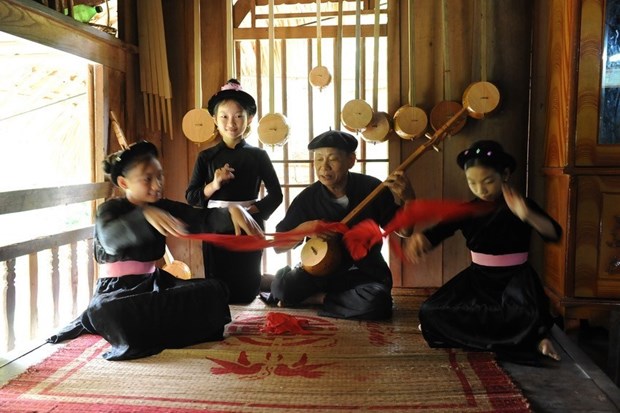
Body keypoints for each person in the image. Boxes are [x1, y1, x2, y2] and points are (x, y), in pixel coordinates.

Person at [49, 140, 263, 360]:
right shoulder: (110, 209)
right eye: (147, 179)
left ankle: (157, 328)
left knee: (215, 289)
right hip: (117, 292)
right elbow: (111, 240)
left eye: (159, 175)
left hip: (155, 284)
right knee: (114, 313)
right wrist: (143, 216)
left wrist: (233, 212)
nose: (157, 184)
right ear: (124, 182)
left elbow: (202, 219)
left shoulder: (163, 207)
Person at [404, 139, 562, 362]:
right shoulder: (467, 210)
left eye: (488, 181)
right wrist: (423, 239)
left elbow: (554, 233)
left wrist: (527, 215)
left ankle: (536, 338)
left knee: (529, 314)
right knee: (431, 310)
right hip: (478, 279)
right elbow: (439, 231)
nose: (481, 189)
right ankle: (525, 338)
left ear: (505, 174)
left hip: (515, 280)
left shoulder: (522, 205)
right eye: (473, 183)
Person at [267, 130, 415, 320]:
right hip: (321, 273)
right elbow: (278, 246)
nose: (324, 167)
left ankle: (317, 299)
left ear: (351, 160)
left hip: (363, 272)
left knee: (377, 302)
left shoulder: (372, 189)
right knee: (282, 288)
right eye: (318, 159)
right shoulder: (307, 198)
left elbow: (405, 231)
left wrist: (409, 200)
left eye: (332, 159)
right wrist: (306, 229)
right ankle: (335, 300)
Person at [186, 79, 283, 303]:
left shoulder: (259, 156)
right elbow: (192, 197)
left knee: (247, 290)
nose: (232, 122)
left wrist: (253, 211)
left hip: (249, 225)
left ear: (249, 119)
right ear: (214, 120)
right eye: (224, 116)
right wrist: (215, 184)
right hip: (215, 227)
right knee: (218, 289)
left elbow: (276, 194)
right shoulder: (206, 157)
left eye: (238, 115)